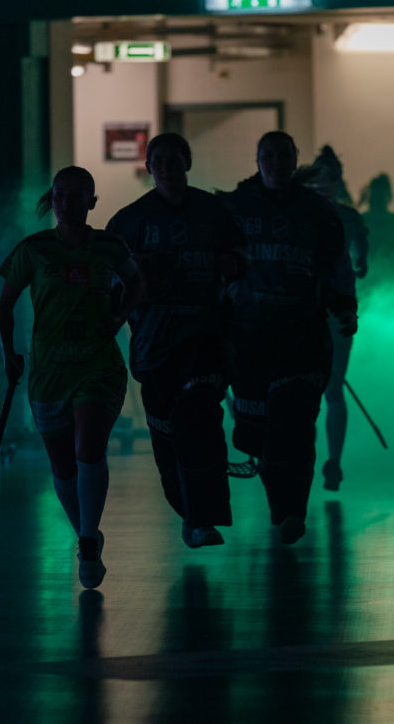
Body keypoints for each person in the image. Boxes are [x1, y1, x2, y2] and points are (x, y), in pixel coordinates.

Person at [0, 166, 143, 589]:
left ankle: (88, 545)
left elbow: (137, 284)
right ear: (53, 200)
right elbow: (4, 307)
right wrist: (9, 354)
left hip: (96, 365)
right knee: (62, 463)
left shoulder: (110, 246)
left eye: (79, 195)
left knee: (88, 446)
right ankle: (87, 534)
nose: (69, 202)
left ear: (93, 202)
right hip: (48, 372)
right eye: (61, 195)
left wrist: (119, 318)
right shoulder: (33, 249)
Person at [106, 132, 247, 549]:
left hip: (205, 337)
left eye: (174, 160)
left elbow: (245, 260)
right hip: (153, 345)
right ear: (148, 168)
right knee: (167, 436)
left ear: (187, 162)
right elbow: (110, 284)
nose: (167, 168)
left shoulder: (214, 211)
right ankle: (189, 514)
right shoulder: (128, 222)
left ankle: (205, 518)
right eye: (159, 161)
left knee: (200, 416)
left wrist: (231, 265)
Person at [221, 131, 357, 544]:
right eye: (269, 155)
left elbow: (339, 263)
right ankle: (280, 505)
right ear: (257, 159)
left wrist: (346, 305)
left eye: (284, 155)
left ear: (295, 161)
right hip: (248, 337)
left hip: (302, 336)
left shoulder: (318, 213)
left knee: (296, 426)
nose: (277, 162)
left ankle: (291, 510)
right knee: (256, 433)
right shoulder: (233, 207)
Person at [295, 146, 368, 491]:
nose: (326, 185)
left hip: (334, 311)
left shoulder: (348, 218)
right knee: (308, 390)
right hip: (305, 313)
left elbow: (361, 262)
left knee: (332, 388)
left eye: (331, 179)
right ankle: (309, 461)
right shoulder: (298, 215)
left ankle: (332, 460)